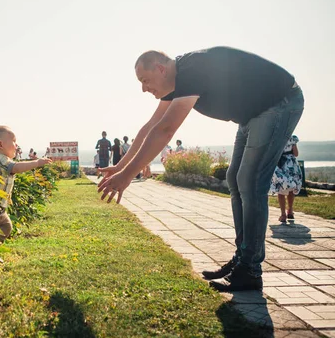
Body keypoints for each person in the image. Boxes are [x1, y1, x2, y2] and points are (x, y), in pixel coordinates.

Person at [98, 47, 304, 292]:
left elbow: (165, 130)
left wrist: (128, 176)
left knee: (250, 180)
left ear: (161, 69)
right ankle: (242, 258)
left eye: (145, 80)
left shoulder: (191, 70)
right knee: (235, 179)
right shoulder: (177, 79)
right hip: (252, 114)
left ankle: (250, 268)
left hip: (280, 102)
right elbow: (151, 127)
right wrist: (120, 167)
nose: (144, 88)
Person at [0, 125, 52, 245]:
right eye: (14, 141)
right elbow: (16, 167)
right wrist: (37, 162)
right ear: (1, 145)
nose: (16, 145)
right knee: (6, 227)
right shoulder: (3, 161)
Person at [269, 135, 302, 223]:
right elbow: (295, 154)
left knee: (286, 188)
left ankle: (286, 212)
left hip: (286, 165)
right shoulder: (285, 137)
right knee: (286, 188)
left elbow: (296, 154)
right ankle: (286, 212)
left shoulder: (286, 137)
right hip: (285, 165)